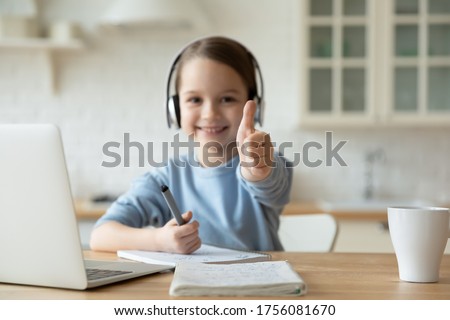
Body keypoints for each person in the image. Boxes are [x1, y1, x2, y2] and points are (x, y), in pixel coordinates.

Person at [90, 36, 292, 253]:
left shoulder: (266, 162)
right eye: (195, 100)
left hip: (260, 285)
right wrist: (158, 240)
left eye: (227, 99)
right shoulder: (166, 178)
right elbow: (100, 236)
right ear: (175, 110)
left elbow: (267, 182)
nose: (210, 114)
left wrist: (257, 169)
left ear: (255, 106)